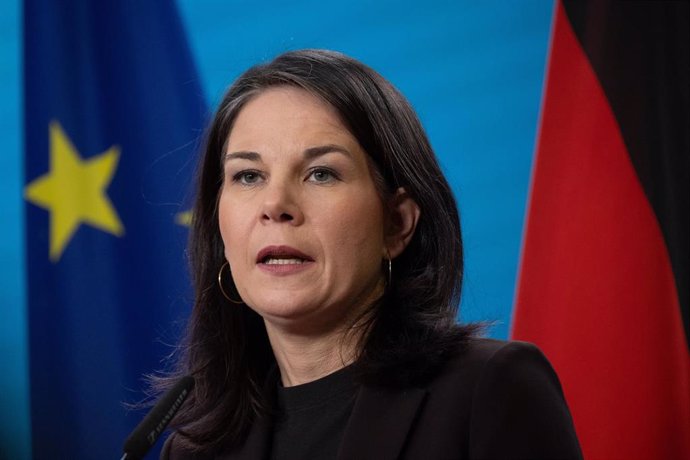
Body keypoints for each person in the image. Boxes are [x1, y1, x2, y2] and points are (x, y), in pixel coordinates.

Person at [159, 49, 582, 459]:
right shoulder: (196, 451)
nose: (275, 204)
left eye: (321, 173)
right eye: (248, 176)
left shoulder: (491, 390)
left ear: (397, 224)